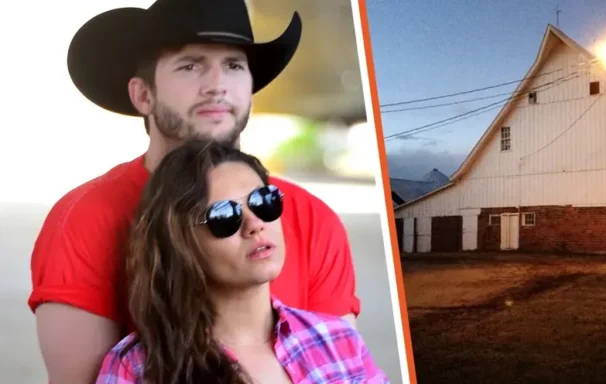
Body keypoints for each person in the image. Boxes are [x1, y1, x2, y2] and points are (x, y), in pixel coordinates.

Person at [28, 0, 361, 383]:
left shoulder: (310, 216)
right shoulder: (86, 218)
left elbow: (341, 367)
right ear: (143, 95)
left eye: (234, 65)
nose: (217, 85)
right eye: (190, 65)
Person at [95, 140, 388, 384]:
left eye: (265, 200)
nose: (256, 224)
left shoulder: (337, 340)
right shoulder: (137, 368)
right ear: (181, 242)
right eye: (225, 216)